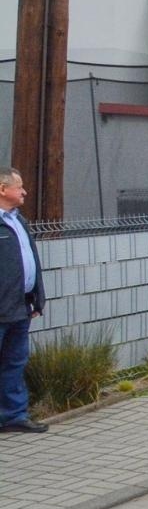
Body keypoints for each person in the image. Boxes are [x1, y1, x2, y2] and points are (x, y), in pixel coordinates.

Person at [0, 168, 49, 433]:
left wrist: (36, 299)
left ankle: (14, 415)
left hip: (20, 308)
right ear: (2, 189)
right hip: (2, 309)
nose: (25, 192)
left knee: (15, 363)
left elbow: (30, 263)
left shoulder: (19, 221)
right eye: (20, 187)